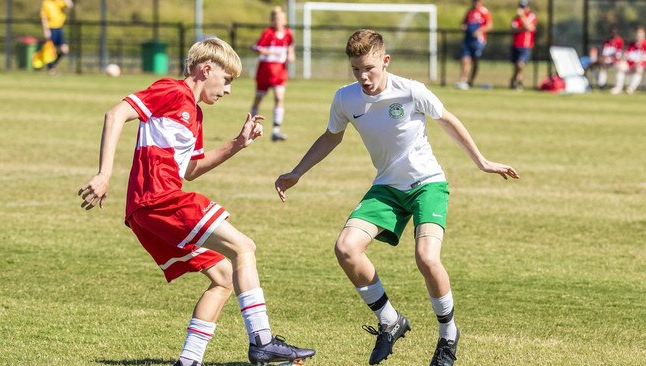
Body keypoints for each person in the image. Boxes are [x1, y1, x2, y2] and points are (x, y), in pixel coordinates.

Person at [275, 29, 519, 366]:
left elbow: (447, 120)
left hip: (427, 185)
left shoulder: (411, 91)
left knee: (427, 258)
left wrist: (483, 162)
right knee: (346, 248)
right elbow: (331, 137)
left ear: (385, 61)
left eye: (369, 68)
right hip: (387, 187)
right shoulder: (345, 98)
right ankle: (390, 320)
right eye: (356, 69)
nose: (363, 77)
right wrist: (297, 171)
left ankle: (448, 335)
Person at [77, 37, 315, 366]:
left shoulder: (196, 116)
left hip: (151, 208)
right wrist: (104, 174)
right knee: (244, 247)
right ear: (206, 70)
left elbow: (191, 170)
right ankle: (262, 341)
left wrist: (238, 144)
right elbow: (115, 114)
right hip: (158, 199)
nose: (228, 90)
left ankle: (189, 361)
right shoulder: (172, 91)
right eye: (227, 80)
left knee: (224, 278)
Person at [250, 6, 296, 142]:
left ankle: (276, 130)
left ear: (285, 20)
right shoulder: (268, 33)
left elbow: (290, 47)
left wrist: (291, 55)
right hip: (265, 71)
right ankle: (251, 124)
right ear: (272, 21)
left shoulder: (288, 33)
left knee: (279, 98)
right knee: (259, 98)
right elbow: (256, 47)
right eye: (276, 19)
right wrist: (269, 52)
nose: (278, 22)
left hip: (279, 71)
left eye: (281, 19)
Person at [456, 0, 493, 90]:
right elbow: (463, 23)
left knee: (475, 61)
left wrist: (479, 31)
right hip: (467, 40)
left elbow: (490, 26)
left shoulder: (484, 12)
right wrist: (464, 26)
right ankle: (463, 81)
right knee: (465, 60)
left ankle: (470, 81)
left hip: (478, 41)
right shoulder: (469, 12)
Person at [509, 0, 537, 90]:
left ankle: (516, 81)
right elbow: (513, 29)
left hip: (526, 45)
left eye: (524, 7)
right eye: (521, 7)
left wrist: (522, 17)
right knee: (517, 66)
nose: (522, 9)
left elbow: (530, 27)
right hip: (515, 44)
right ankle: (516, 82)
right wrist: (522, 28)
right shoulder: (515, 18)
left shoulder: (531, 16)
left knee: (520, 64)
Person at [40, 0, 73, 75]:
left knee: (65, 50)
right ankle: (51, 69)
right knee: (51, 50)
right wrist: (46, 30)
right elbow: (44, 18)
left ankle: (51, 65)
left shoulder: (59, 1)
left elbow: (70, 5)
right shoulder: (46, 3)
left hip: (59, 29)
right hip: (51, 29)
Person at [611, 26, 645, 95]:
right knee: (620, 65)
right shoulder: (632, 45)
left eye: (640, 35)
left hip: (639, 66)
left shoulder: (645, 45)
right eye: (637, 35)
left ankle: (631, 89)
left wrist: (638, 62)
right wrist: (621, 58)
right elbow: (627, 56)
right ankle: (618, 87)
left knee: (639, 68)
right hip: (630, 65)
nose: (639, 37)